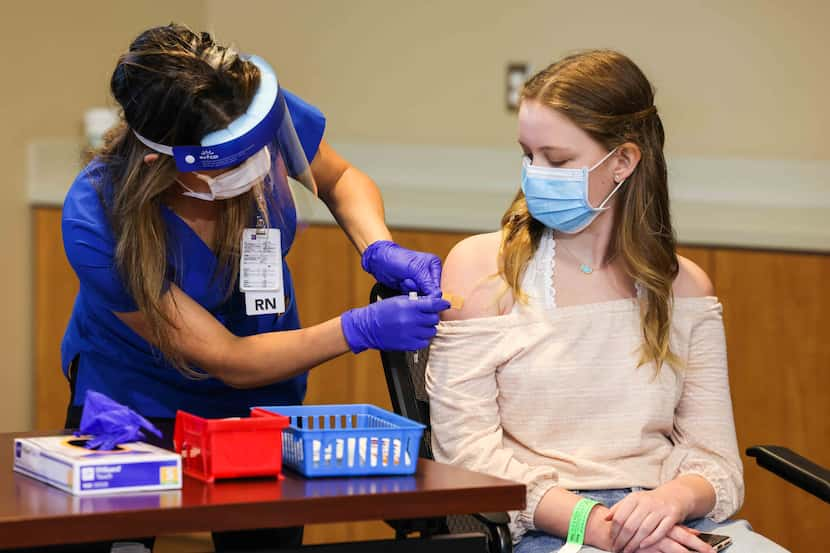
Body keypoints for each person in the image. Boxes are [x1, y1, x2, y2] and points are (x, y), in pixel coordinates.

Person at [58, 24, 448, 552]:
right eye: (232, 163)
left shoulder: (248, 111)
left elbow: (339, 178)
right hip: (134, 401)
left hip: (263, 402)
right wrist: (359, 329)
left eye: (258, 150)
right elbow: (228, 358)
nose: (258, 166)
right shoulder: (96, 220)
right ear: (161, 163)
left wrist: (379, 248)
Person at [426, 50, 788, 553]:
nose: (534, 174)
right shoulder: (480, 269)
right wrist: (597, 526)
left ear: (623, 160)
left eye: (558, 160)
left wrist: (674, 502)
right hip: (550, 528)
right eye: (528, 155)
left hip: (666, 522)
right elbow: (467, 455)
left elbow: (717, 464)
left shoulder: (685, 288)